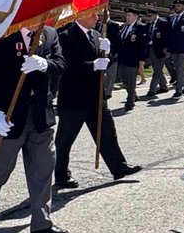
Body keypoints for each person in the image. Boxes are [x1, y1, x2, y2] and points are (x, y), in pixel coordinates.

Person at [0, 23, 67, 233]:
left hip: (40, 115)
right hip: (7, 118)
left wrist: (45, 64)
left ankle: (42, 222)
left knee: (43, 169)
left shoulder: (50, 33)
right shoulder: (0, 34)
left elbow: (60, 64)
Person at [54, 10, 142, 188]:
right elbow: (66, 66)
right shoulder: (65, 35)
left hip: (96, 95)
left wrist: (106, 54)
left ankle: (118, 166)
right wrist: (92, 66)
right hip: (74, 97)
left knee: (107, 133)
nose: (97, 18)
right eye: (93, 15)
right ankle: (61, 175)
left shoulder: (96, 35)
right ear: (81, 15)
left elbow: (102, 62)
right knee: (65, 139)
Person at [116, 9, 145, 110]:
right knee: (124, 79)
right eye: (126, 16)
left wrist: (141, 60)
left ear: (136, 17)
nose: (127, 18)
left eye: (130, 16)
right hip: (122, 58)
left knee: (131, 80)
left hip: (133, 58)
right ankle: (133, 94)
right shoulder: (124, 27)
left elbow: (142, 45)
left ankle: (130, 101)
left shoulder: (140, 27)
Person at [143, 9, 170, 98]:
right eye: (148, 16)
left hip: (161, 49)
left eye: (150, 16)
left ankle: (152, 89)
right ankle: (164, 86)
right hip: (151, 49)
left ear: (155, 15)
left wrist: (167, 48)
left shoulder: (163, 23)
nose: (148, 18)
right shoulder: (148, 24)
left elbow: (167, 37)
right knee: (156, 69)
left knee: (157, 70)